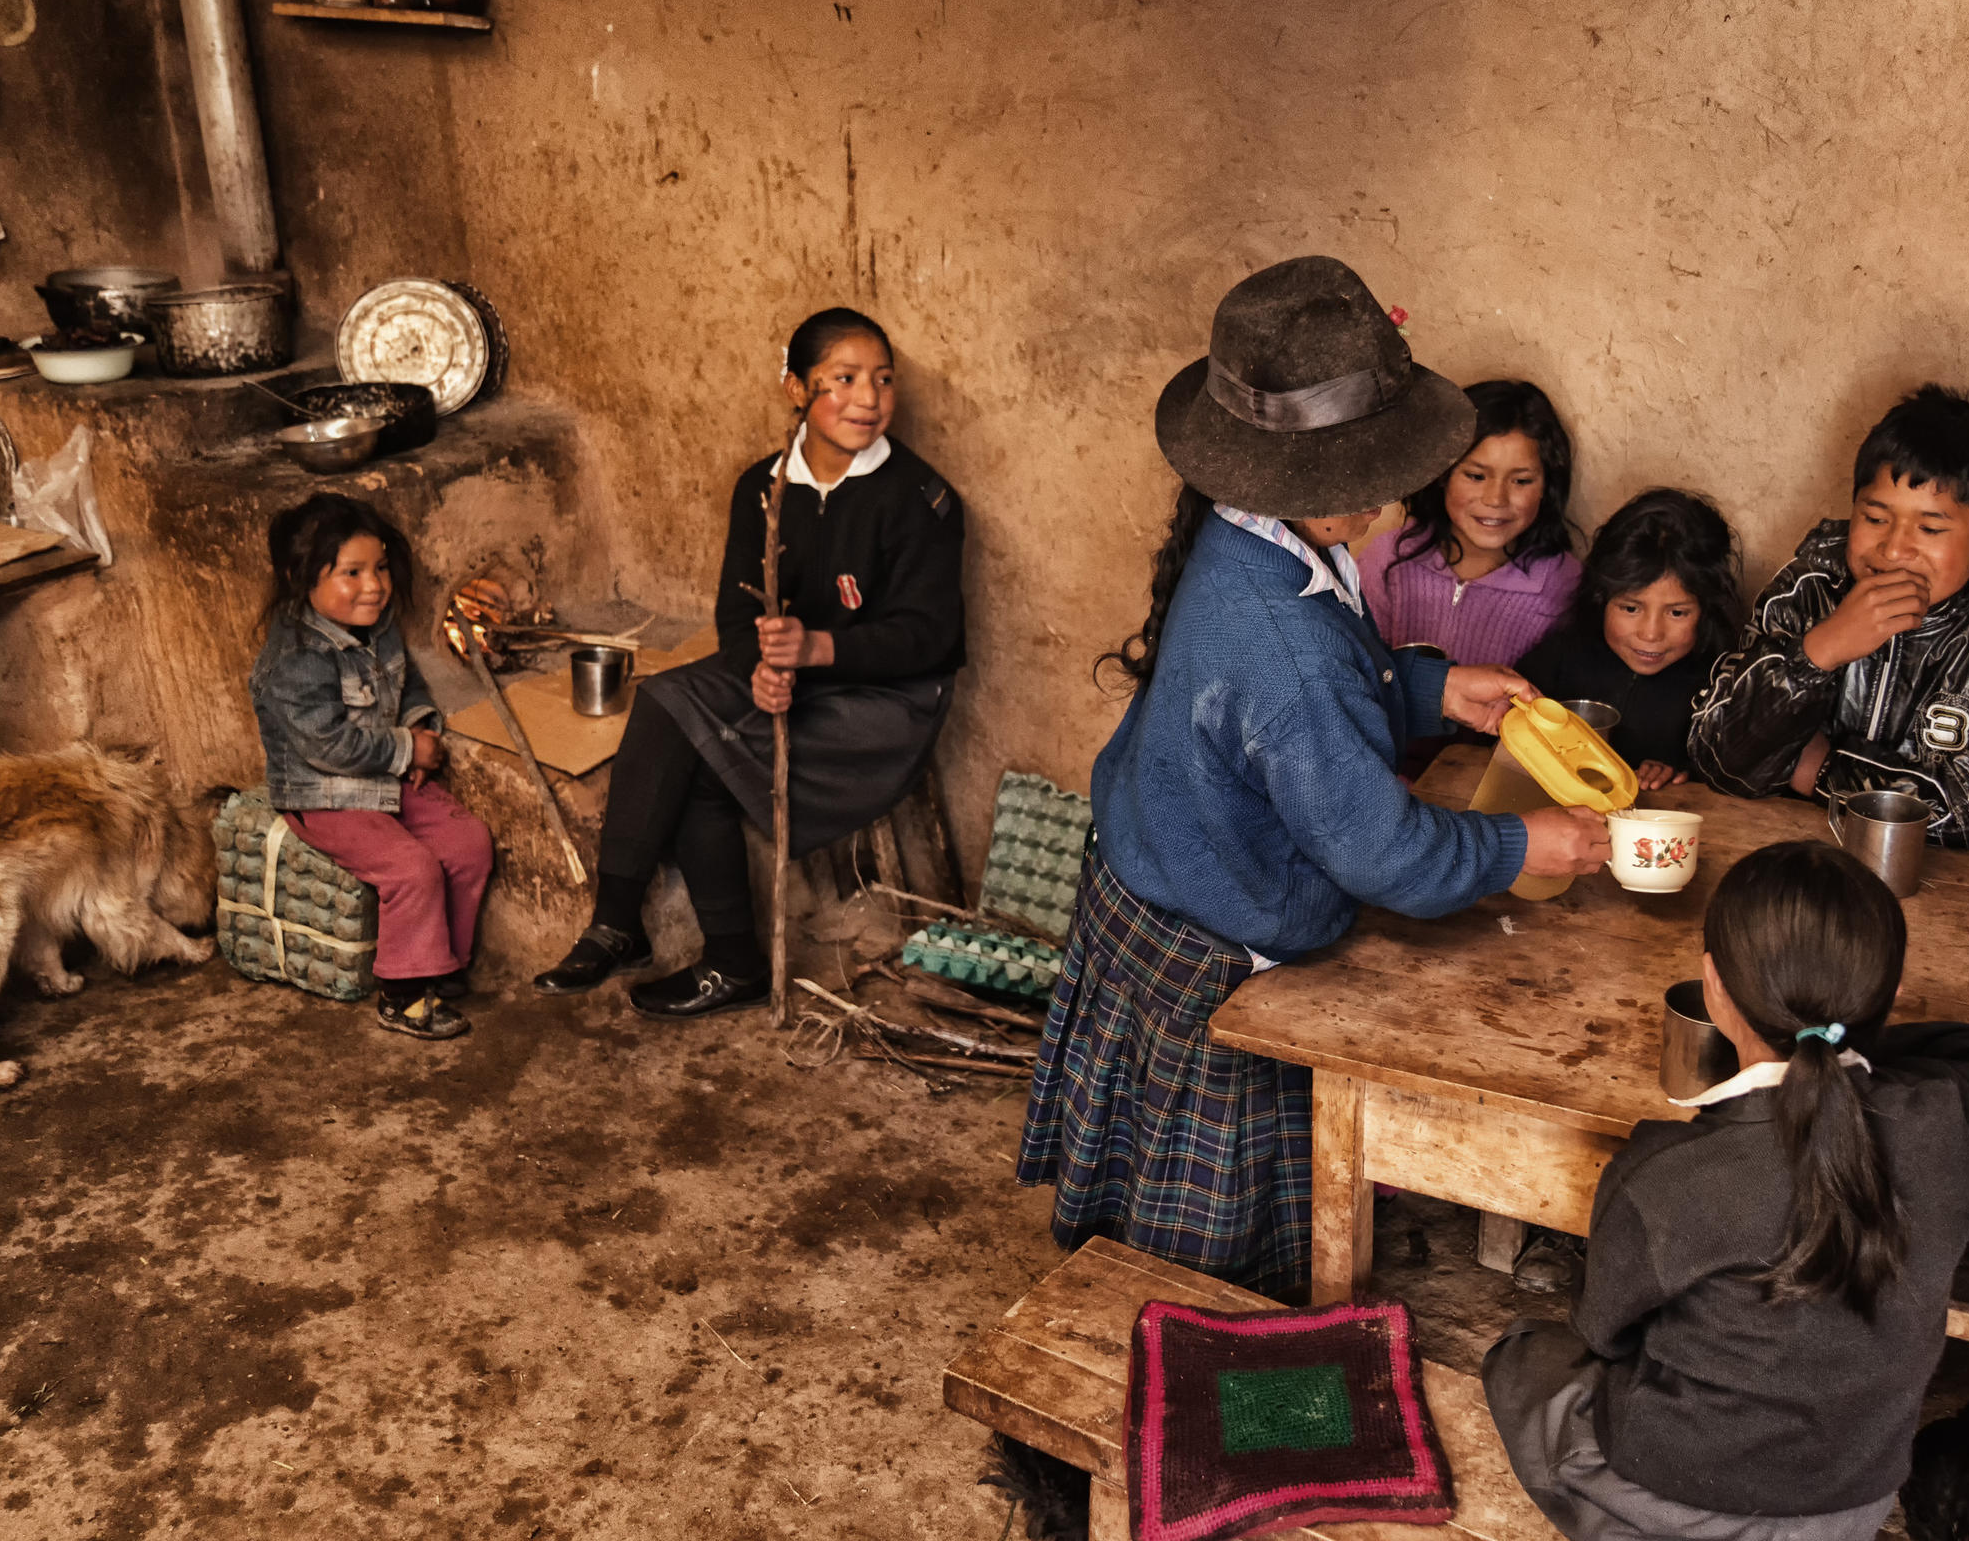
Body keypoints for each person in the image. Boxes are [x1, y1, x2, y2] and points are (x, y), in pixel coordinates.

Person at [1015, 257, 1611, 1296]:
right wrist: (1527, 844)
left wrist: (1430, 690)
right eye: (1380, 472)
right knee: (1202, 1266)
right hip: (1208, 938)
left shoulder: (1247, 535)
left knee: (1143, 1208)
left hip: (1148, 879)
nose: (1393, 494)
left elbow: (1319, 688)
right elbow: (1382, 849)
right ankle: (1171, 1344)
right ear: (1319, 482)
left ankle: (1131, 1313)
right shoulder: (1282, 640)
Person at [1480, 840, 1969, 1541]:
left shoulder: (1667, 1169)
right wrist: (1855, 1041)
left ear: (1713, 989)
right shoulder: (1946, 1128)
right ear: (1895, 995)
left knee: (1522, 1354)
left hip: (1672, 1529)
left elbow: (1607, 1333)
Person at [533, 307, 964, 1017]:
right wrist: (759, 668)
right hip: (796, 685)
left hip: (886, 706)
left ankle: (635, 927)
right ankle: (703, 955)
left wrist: (819, 649)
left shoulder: (919, 499)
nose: (868, 399)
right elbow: (740, 616)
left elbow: (934, 638)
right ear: (795, 388)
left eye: (883, 381)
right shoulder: (761, 489)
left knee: (676, 712)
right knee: (679, 720)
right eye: (844, 379)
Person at [1688, 385, 1969, 847]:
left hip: (1951, 891)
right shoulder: (1808, 590)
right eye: (1877, 519)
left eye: (1929, 527)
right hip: (1792, 858)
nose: (1896, 548)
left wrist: (1823, 772)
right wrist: (1819, 652)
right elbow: (1720, 759)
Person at [250, 493, 494, 1041]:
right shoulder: (297, 657)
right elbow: (326, 747)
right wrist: (407, 749)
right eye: (352, 573)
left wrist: (420, 723)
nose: (375, 586)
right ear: (301, 576)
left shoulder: (379, 626)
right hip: (324, 795)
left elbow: (408, 683)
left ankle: (441, 965)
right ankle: (403, 994)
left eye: (380, 568)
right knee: (411, 869)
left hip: (381, 779)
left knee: (468, 844)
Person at [1515, 488, 1742, 791]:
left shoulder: (1718, 688)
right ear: (1601, 597)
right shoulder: (1559, 659)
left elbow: (1731, 773)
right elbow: (1510, 732)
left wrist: (1679, 773)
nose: (1650, 633)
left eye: (1677, 613)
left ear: (1707, 610)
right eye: (1631, 608)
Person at [1355, 378, 1580, 667]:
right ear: (1441, 474)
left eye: (1521, 481)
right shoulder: (1387, 561)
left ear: (1547, 489)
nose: (1496, 499)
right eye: (1475, 476)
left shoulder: (1563, 586)